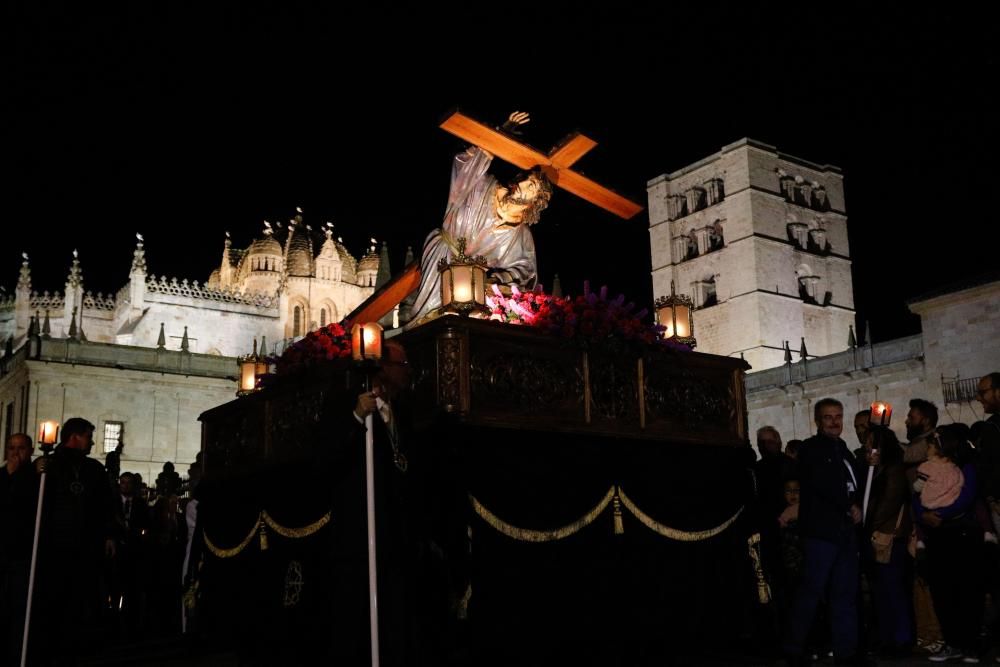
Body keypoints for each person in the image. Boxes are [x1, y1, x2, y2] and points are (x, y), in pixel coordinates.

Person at [405, 111, 553, 327]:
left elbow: (525, 271)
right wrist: (501, 134)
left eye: (531, 187)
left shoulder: (520, 233)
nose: (522, 184)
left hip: (475, 284)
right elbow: (466, 167)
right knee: (429, 318)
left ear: (535, 201)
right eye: (526, 180)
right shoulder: (484, 187)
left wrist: (496, 280)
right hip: (443, 256)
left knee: (465, 324)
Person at [782, 398, 864, 665]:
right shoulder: (811, 449)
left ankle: (846, 651)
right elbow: (822, 483)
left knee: (845, 593)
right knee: (812, 591)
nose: (834, 422)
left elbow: (853, 482)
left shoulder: (843, 449)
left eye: (838, 416)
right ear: (818, 421)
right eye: (828, 417)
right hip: (821, 532)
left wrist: (856, 505)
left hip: (844, 533)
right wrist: (847, 505)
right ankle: (794, 649)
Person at [32, 417, 118, 663]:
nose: (92, 443)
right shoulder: (49, 464)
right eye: (89, 437)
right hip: (55, 546)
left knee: (82, 600)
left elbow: (105, 505)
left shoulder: (93, 469)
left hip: (86, 546)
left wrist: (109, 534)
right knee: (54, 599)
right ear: (75, 437)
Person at [858, 427, 913, 657]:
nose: (866, 447)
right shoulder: (873, 470)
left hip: (888, 536)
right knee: (880, 591)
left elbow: (889, 502)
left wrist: (867, 523)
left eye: (871, 442)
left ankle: (901, 639)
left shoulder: (893, 470)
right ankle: (886, 637)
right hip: (873, 537)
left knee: (893, 590)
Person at [0, 433, 38, 666]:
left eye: (21, 448)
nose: (15, 452)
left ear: (30, 450)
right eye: (12, 447)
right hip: (2, 553)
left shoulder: (36, 479)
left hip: (22, 556)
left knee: (19, 611)